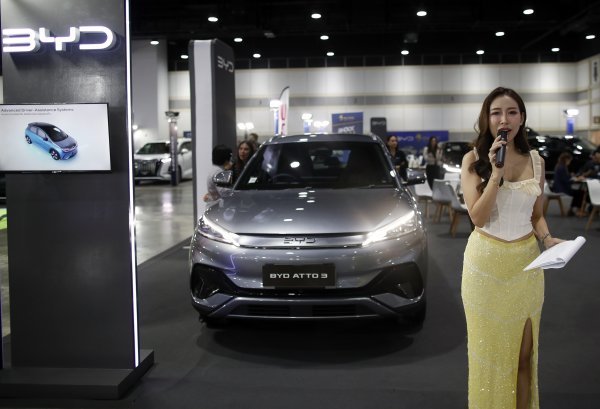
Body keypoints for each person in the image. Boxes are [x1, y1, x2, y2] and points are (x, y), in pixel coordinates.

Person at [460, 86, 564, 409]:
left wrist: (547, 238)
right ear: (487, 119)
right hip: (484, 268)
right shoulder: (473, 160)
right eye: (496, 113)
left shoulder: (537, 161)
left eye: (511, 112)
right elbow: (478, 217)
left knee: (523, 354)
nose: (504, 119)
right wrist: (496, 174)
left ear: (521, 118)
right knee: (488, 356)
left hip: (525, 267)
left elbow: (536, 214)